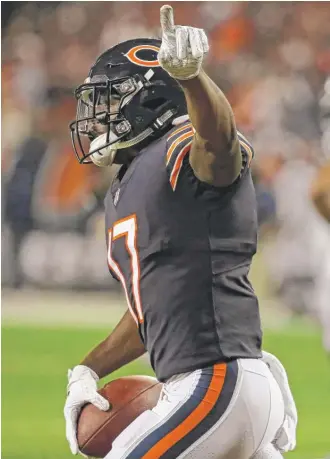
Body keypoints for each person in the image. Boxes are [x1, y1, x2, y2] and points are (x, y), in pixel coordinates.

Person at [64, 6, 297, 459]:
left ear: (149, 100)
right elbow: (152, 312)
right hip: (212, 385)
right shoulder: (129, 182)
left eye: (111, 101)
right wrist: (88, 369)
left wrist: (192, 80)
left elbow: (221, 144)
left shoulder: (184, 144)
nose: (98, 116)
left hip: (215, 382)